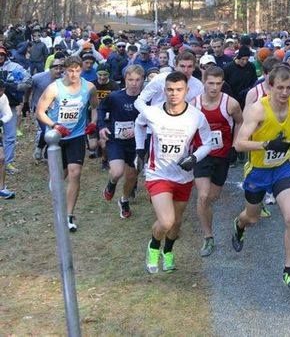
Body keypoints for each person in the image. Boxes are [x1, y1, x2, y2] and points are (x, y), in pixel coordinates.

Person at [230, 64, 290, 287]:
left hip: (282, 168)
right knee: (252, 217)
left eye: (289, 88)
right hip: (258, 170)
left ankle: (288, 270)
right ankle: (239, 224)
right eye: (280, 88)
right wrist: (266, 144)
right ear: (270, 87)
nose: (285, 93)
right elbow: (239, 144)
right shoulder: (258, 110)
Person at [135, 71, 216, 274]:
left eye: (179, 90)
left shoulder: (196, 116)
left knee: (176, 223)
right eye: (170, 90)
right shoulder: (152, 112)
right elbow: (138, 124)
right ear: (164, 90)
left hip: (183, 176)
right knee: (166, 220)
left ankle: (168, 251)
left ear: (186, 91)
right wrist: (139, 149)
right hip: (158, 174)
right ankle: (153, 247)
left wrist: (194, 158)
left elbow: (207, 143)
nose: (174, 94)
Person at [35, 55, 99, 232]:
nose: (74, 74)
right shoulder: (53, 89)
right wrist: (55, 125)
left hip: (76, 136)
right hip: (56, 137)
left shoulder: (89, 88)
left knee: (75, 173)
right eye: (70, 70)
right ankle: (55, 185)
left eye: (77, 71)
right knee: (58, 177)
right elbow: (40, 112)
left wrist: (93, 122)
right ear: (64, 70)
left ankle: (69, 215)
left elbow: (94, 107)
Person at [192, 66, 243, 256]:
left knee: (212, 198)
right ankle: (208, 237)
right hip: (201, 154)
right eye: (210, 83)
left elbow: (240, 121)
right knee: (203, 196)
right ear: (204, 82)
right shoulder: (194, 103)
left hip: (222, 156)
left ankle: (212, 224)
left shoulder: (231, 104)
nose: (214, 87)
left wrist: (235, 144)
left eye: (218, 83)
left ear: (223, 83)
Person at [99, 65, 145, 218]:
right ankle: (111, 184)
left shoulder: (146, 99)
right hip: (116, 140)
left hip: (136, 144)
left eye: (137, 80)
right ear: (125, 79)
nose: (134, 83)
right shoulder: (115, 97)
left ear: (142, 81)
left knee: (132, 176)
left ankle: (124, 200)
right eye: (130, 79)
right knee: (117, 171)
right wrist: (102, 127)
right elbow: (101, 109)